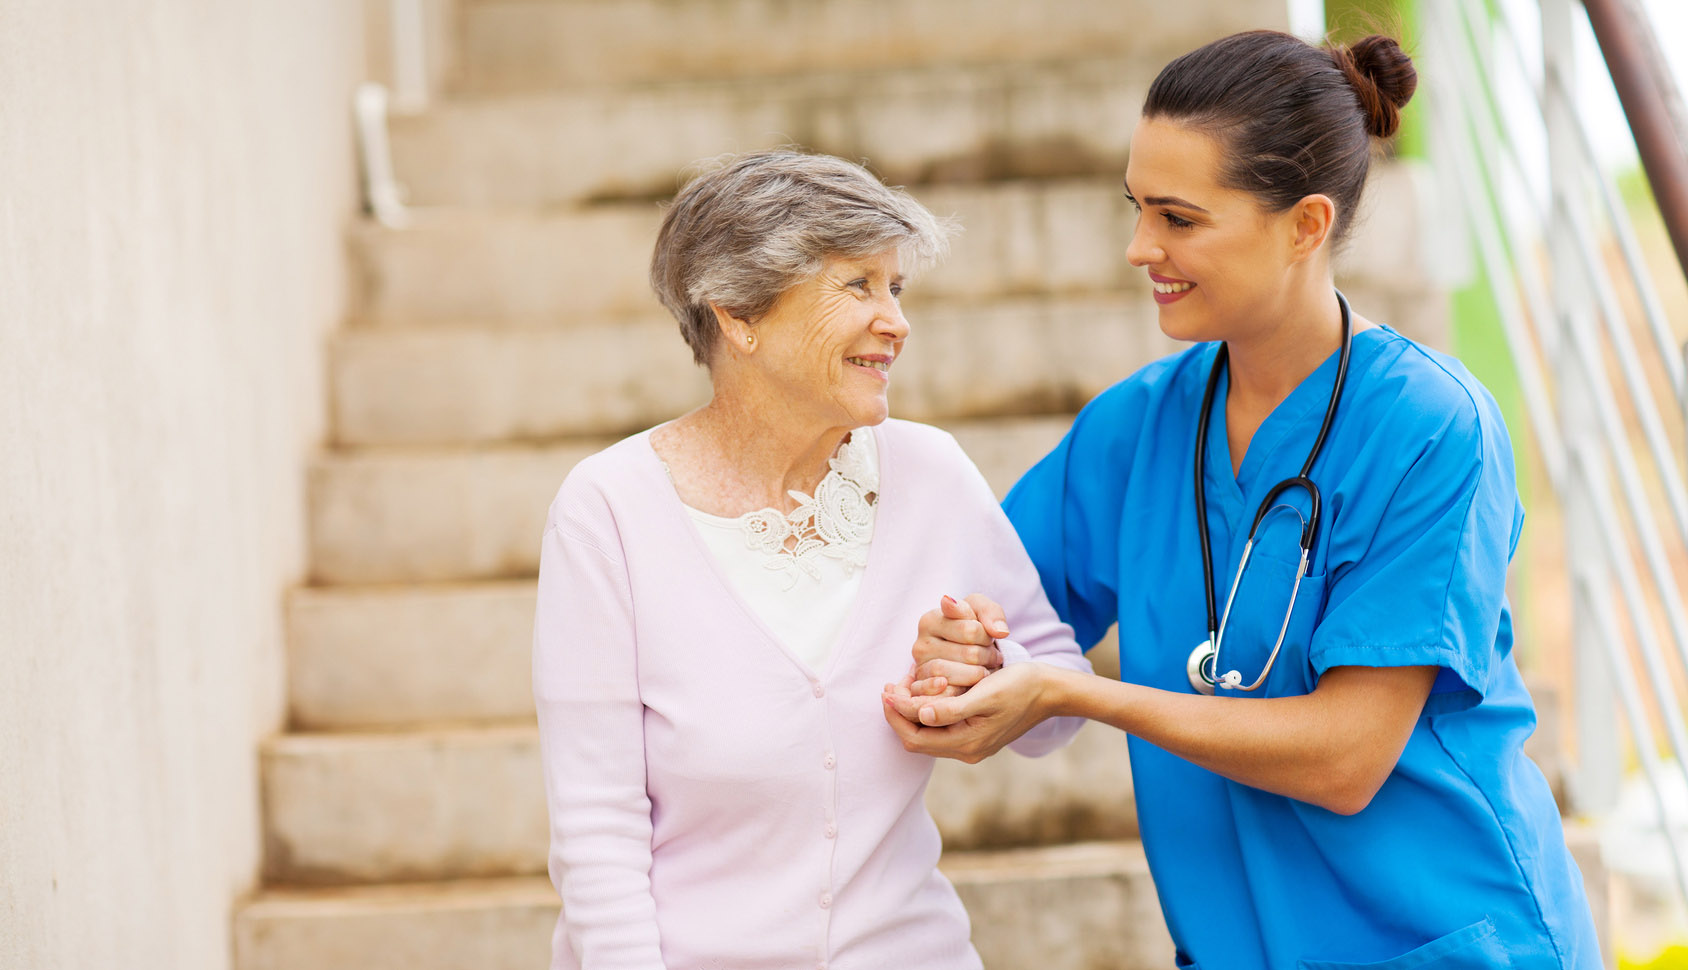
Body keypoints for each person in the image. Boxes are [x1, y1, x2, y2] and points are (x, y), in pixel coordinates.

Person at [884, 30, 1602, 969]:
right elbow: (987, 604)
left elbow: (1346, 758)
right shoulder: (1135, 430)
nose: (1140, 247)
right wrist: (962, 647)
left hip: (1447, 938)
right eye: (1136, 207)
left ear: (1306, 225)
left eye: (1179, 218)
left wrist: (1079, 693)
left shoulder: (1431, 427)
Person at [531, 149, 1090, 970]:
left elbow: (1061, 706)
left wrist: (983, 669)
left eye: (895, 288)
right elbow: (596, 829)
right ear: (737, 313)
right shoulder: (609, 509)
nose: (895, 321)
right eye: (857, 285)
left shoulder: (930, 474)